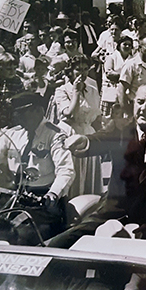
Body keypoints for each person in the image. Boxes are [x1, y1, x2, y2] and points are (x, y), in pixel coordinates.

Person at [47, 83, 146, 248]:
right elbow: (101, 138)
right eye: (140, 102)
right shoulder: (121, 130)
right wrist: (85, 141)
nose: (143, 108)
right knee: (63, 242)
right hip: (112, 211)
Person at [0, 92, 75, 242]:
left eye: (22, 113)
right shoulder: (13, 134)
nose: (18, 118)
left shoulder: (54, 135)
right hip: (14, 199)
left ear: (38, 111)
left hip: (44, 204)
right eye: (17, 113)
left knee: (21, 236)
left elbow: (65, 171)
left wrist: (53, 194)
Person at [54, 55, 103, 196]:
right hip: (70, 133)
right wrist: (75, 91)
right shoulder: (62, 90)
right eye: (78, 70)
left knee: (88, 176)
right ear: (70, 71)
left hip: (88, 133)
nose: (82, 73)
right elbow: (70, 114)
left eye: (86, 69)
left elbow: (96, 117)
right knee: (73, 173)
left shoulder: (93, 90)